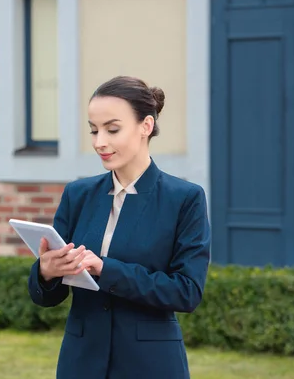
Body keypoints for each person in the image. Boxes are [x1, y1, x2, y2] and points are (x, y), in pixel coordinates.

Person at [27, 75, 211, 379]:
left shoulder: (184, 199)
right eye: (94, 130)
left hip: (150, 365)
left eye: (112, 129)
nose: (100, 142)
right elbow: (47, 296)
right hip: (81, 363)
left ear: (146, 126)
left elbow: (187, 292)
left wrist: (104, 268)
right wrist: (46, 272)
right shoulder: (78, 194)